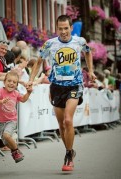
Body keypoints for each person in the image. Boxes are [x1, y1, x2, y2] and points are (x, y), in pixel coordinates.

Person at [27, 15, 96, 171]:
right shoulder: (49, 44)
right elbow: (38, 62)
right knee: (60, 125)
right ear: (56, 28)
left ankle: (68, 156)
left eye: (66, 28)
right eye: (60, 28)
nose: (64, 31)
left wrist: (91, 70)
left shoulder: (80, 41)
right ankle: (70, 150)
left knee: (67, 120)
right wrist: (31, 79)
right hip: (57, 86)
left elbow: (88, 53)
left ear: (71, 28)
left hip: (74, 85)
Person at [0, 71, 33, 163]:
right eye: (9, 81)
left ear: (17, 84)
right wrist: (1, 101)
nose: (11, 83)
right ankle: (15, 147)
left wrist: (28, 93)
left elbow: (23, 100)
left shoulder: (16, 93)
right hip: (0, 121)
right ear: (4, 82)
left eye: (14, 82)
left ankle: (16, 151)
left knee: (6, 135)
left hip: (11, 120)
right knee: (6, 142)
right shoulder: (0, 91)